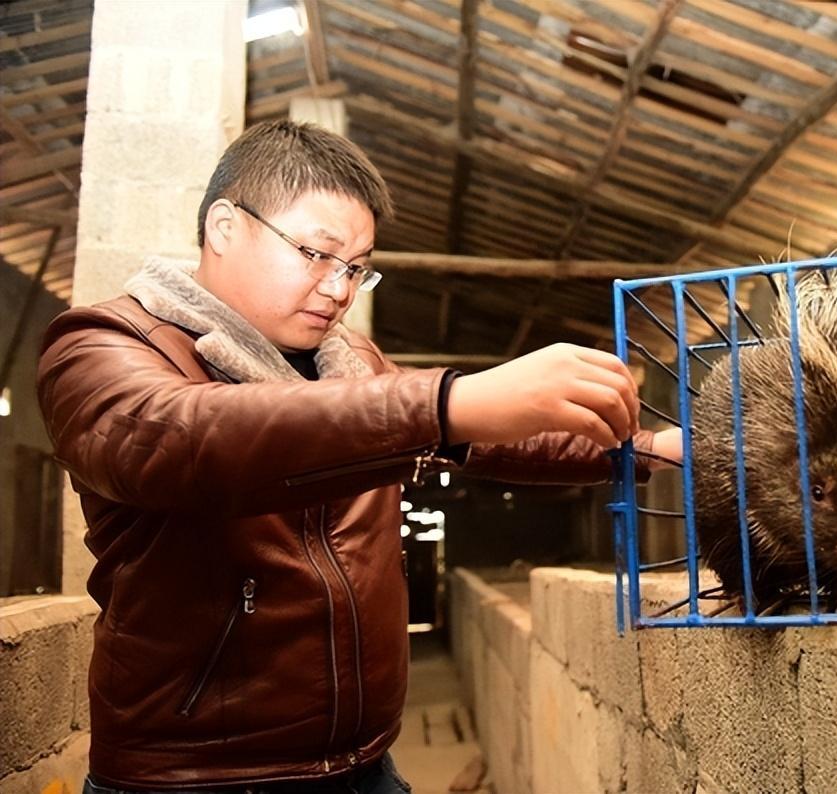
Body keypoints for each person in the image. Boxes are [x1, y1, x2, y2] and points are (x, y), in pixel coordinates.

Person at [37, 120, 681, 793]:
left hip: (364, 767)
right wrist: (449, 402)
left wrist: (649, 450)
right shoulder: (102, 346)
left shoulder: (350, 363)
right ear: (225, 226)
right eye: (317, 253)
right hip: (195, 778)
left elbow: (492, 435)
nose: (338, 287)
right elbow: (182, 440)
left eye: (356, 268)